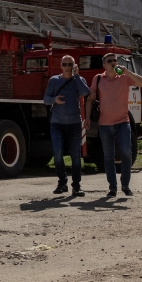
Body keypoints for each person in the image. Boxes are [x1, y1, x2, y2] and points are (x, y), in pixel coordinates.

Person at [85, 53, 142, 198]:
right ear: (104, 65)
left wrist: (127, 71)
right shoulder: (98, 78)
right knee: (108, 157)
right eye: (110, 61)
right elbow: (90, 99)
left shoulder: (125, 77)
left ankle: (125, 185)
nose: (113, 63)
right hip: (105, 124)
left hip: (122, 122)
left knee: (126, 153)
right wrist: (87, 117)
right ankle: (112, 188)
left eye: (115, 60)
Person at [43, 55, 91, 197]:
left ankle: (76, 186)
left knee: (75, 155)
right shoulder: (54, 80)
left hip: (74, 124)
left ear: (74, 66)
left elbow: (85, 92)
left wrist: (76, 76)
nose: (67, 67)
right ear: (61, 66)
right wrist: (54, 100)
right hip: (57, 124)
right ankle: (62, 182)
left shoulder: (79, 80)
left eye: (70, 64)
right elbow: (45, 99)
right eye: (65, 64)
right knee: (57, 153)